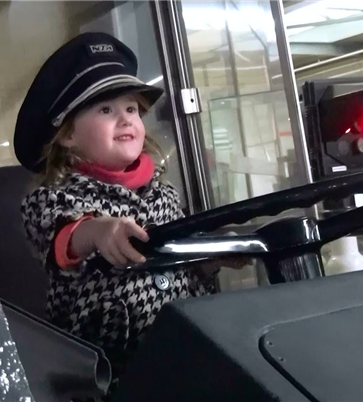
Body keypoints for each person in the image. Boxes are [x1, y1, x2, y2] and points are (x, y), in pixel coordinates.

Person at [14, 32, 242, 394]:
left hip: (188, 356)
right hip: (106, 378)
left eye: (131, 109)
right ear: (69, 135)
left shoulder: (165, 194)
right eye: (106, 110)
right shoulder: (51, 199)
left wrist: (210, 258)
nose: (125, 119)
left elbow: (181, 265)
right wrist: (96, 232)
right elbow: (63, 238)